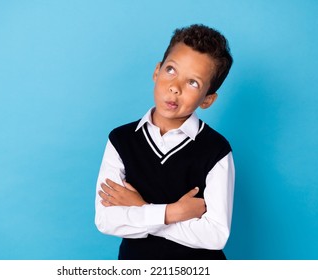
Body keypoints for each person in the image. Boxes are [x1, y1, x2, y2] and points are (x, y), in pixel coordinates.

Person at [95, 24, 235, 260]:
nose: (175, 87)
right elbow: (107, 220)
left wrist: (141, 208)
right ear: (156, 71)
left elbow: (215, 235)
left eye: (193, 83)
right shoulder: (121, 140)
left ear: (208, 100)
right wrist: (173, 212)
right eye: (171, 70)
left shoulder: (217, 150)